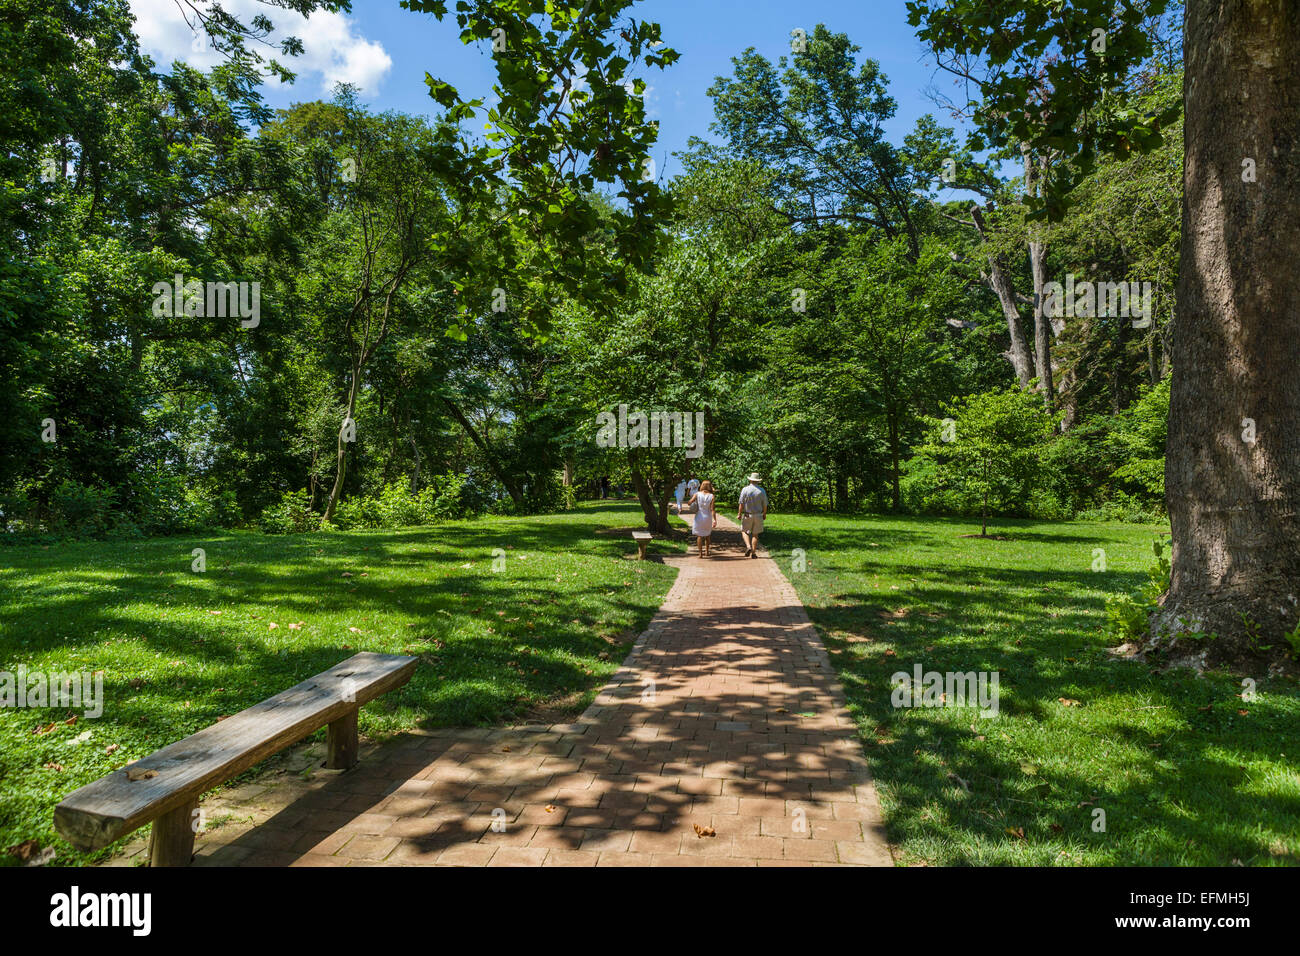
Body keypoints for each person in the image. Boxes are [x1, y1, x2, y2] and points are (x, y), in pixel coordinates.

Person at [737, 472, 768, 558]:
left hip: (748, 514)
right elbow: (765, 504)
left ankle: (748, 546)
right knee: (755, 534)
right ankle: (753, 553)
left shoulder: (745, 489)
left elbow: (741, 503)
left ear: (750, 480)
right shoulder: (762, 491)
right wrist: (764, 514)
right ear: (758, 481)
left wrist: (739, 513)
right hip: (758, 514)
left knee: (744, 531)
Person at [685, 479, 716, 557]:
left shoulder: (697, 494)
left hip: (699, 516)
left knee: (699, 536)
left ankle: (700, 553)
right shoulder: (712, 496)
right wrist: (715, 520)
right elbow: (712, 509)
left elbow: (689, 503)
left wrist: (693, 503)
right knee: (707, 535)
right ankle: (707, 551)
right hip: (708, 517)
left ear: (702, 485)